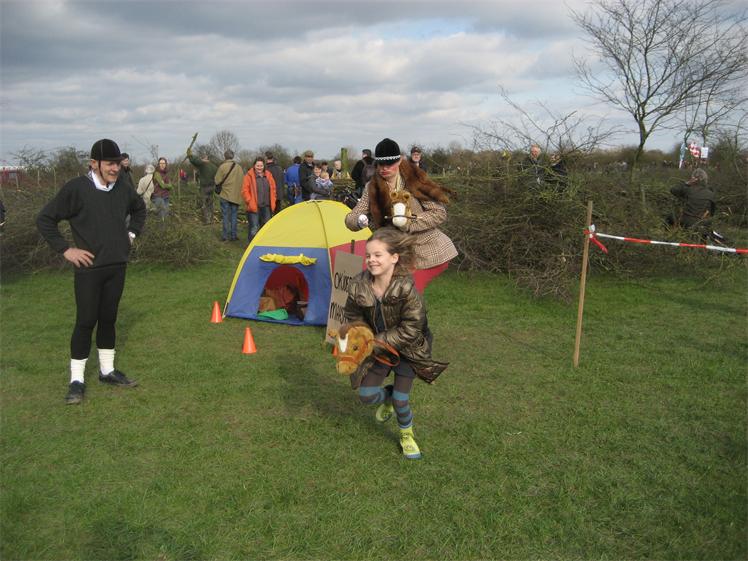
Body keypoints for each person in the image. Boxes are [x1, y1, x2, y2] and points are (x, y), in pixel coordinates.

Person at [36, 139, 146, 405]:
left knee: (108, 319)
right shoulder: (76, 189)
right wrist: (66, 250)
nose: (115, 168)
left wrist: (131, 234)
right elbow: (45, 219)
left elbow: (139, 209)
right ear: (93, 163)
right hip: (89, 270)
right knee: (86, 321)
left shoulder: (123, 186)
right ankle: (77, 380)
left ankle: (107, 371)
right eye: (109, 164)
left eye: (117, 163)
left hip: (116, 266)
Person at [343, 227, 448, 460]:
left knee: (402, 401)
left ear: (394, 258)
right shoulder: (358, 284)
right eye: (368, 255)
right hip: (380, 349)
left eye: (377, 255)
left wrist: (375, 342)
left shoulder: (407, 288)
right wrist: (359, 336)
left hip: (410, 348)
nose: (371, 260)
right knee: (366, 395)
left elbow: (413, 327)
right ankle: (388, 396)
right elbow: (352, 315)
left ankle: (406, 435)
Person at [345, 138, 458, 293]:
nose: (384, 168)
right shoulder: (372, 187)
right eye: (381, 164)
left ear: (399, 161)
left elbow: (439, 213)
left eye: (390, 164)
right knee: (393, 295)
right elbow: (351, 218)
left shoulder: (414, 180)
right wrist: (359, 220)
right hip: (395, 253)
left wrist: (409, 224)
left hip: (426, 251)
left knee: (404, 296)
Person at [242, 157, 277, 242]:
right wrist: (249, 201)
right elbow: (244, 191)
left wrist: (274, 199)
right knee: (254, 228)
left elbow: (273, 188)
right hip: (254, 206)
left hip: (266, 206)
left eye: (261, 166)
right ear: (254, 165)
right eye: (257, 165)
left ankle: (264, 245)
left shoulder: (268, 175)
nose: (259, 167)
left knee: (266, 227)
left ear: (264, 166)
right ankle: (252, 245)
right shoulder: (248, 176)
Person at [214, 150, 244, 241]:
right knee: (234, 216)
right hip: (236, 195)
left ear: (225, 156)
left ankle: (225, 236)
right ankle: (234, 235)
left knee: (225, 216)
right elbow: (242, 181)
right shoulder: (239, 167)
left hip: (225, 195)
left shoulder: (222, 167)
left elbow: (217, 181)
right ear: (233, 156)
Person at [187, 144, 219, 225]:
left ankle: (207, 220)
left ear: (204, 158)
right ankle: (211, 219)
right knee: (210, 204)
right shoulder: (214, 166)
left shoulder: (202, 164)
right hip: (212, 187)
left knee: (204, 203)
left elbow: (195, 161)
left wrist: (190, 155)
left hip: (204, 187)